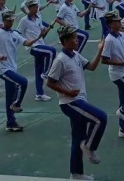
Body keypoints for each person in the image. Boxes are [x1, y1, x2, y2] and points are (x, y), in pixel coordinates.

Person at [47, 25, 108, 181]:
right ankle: (90, 146)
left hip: (79, 100)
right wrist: (68, 92)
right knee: (100, 118)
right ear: (65, 41)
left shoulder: (76, 55)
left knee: (77, 138)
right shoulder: (60, 60)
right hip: (70, 102)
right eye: (74, 38)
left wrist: (100, 50)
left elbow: (92, 67)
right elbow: (50, 82)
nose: (77, 40)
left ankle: (76, 174)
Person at [0, 10, 52, 132]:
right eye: (9, 20)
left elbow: (26, 42)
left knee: (10, 95)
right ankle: (17, 104)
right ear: (4, 20)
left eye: (12, 20)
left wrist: (38, 37)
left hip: (12, 67)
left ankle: (11, 123)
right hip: (3, 69)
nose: (11, 22)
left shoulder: (14, 34)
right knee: (22, 82)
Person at [17, 0, 57, 101]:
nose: (36, 8)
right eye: (33, 6)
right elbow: (18, 34)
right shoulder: (24, 20)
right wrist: (26, 42)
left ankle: (39, 94)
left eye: (36, 6)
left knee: (39, 69)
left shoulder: (38, 18)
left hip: (40, 45)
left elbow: (42, 32)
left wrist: (49, 27)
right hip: (33, 47)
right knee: (51, 51)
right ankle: (46, 73)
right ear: (29, 8)